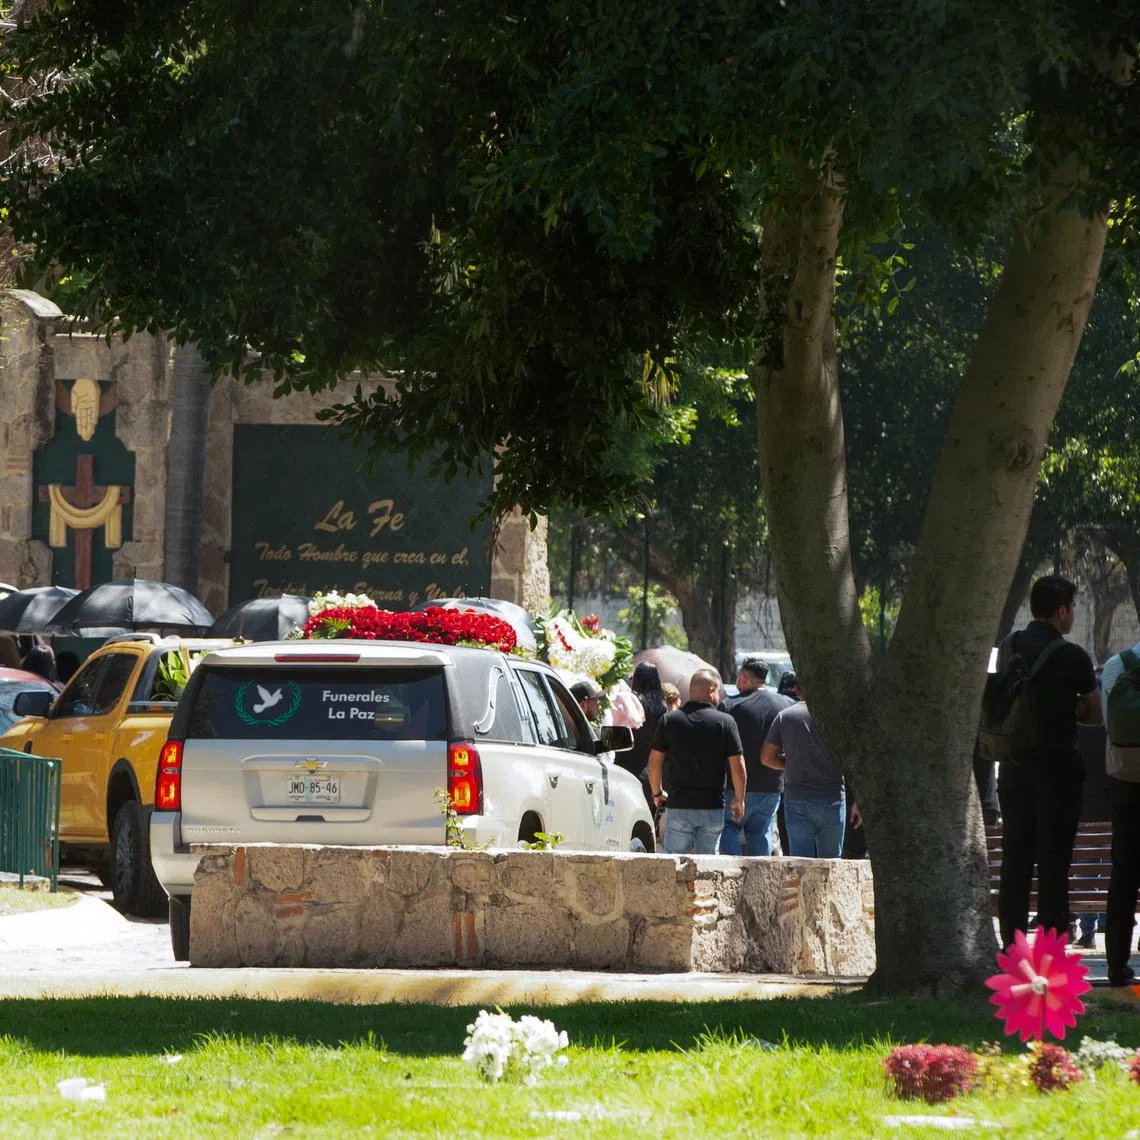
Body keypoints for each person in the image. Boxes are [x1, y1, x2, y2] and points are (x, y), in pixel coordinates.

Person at [994, 574, 1100, 951]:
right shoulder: (1072, 656)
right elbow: (1095, 714)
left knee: (1015, 858)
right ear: (1061, 611)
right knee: (1054, 863)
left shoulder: (1009, 646)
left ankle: (1011, 943)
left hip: (1012, 767)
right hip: (1057, 769)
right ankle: (1052, 945)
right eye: (1071, 608)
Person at [646, 669, 745, 854]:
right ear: (712, 689)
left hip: (679, 805)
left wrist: (657, 792)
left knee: (674, 863)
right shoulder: (726, 722)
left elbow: (653, 763)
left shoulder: (669, 720)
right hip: (712, 805)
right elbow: (738, 766)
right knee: (708, 867)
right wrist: (739, 799)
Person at [761, 681, 856, 857]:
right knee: (830, 864)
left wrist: (790, 764)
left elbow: (766, 757)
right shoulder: (838, 718)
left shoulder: (785, 717)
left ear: (797, 691)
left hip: (797, 798)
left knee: (800, 862)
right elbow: (854, 760)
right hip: (832, 798)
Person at [719, 657, 792, 856]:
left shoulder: (730, 706)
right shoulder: (786, 705)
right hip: (772, 785)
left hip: (735, 786)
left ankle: (732, 877)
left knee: (728, 828)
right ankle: (760, 880)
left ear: (743, 678)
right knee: (760, 832)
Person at [1100, 640, 1140, 985]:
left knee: (1123, 872)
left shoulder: (1116, 665)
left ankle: (1115, 963)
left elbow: (1108, 725)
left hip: (1124, 779)